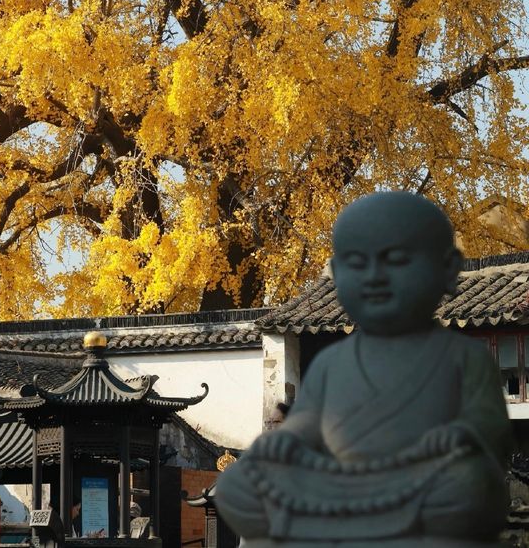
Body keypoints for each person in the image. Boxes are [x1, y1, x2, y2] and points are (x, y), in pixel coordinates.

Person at [215, 191, 512, 547]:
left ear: (447, 270)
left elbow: (492, 434)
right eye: (357, 263)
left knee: (469, 481)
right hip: (344, 488)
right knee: (237, 482)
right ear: (337, 275)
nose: (374, 276)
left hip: (425, 488)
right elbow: (307, 424)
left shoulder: (464, 358)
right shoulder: (330, 364)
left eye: (397, 260)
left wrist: (463, 436)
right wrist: (286, 442)